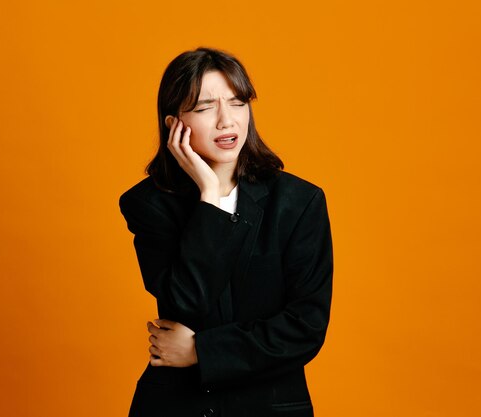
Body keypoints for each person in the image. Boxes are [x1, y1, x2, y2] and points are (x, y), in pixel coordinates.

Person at [119, 47, 333, 417]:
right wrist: (209, 196)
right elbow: (186, 302)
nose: (226, 121)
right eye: (204, 108)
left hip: (270, 406)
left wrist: (200, 350)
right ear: (174, 124)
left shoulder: (299, 202)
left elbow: (305, 327)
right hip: (177, 407)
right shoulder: (148, 204)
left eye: (237, 103)